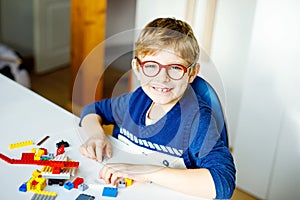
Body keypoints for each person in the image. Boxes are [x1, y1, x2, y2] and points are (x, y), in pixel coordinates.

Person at [79, 17, 236, 199]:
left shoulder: (197, 120)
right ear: (137, 68)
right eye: (151, 66)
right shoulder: (135, 101)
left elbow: (223, 184)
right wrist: (96, 136)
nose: (162, 79)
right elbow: (92, 111)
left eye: (175, 68)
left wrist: (147, 172)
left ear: (192, 73)